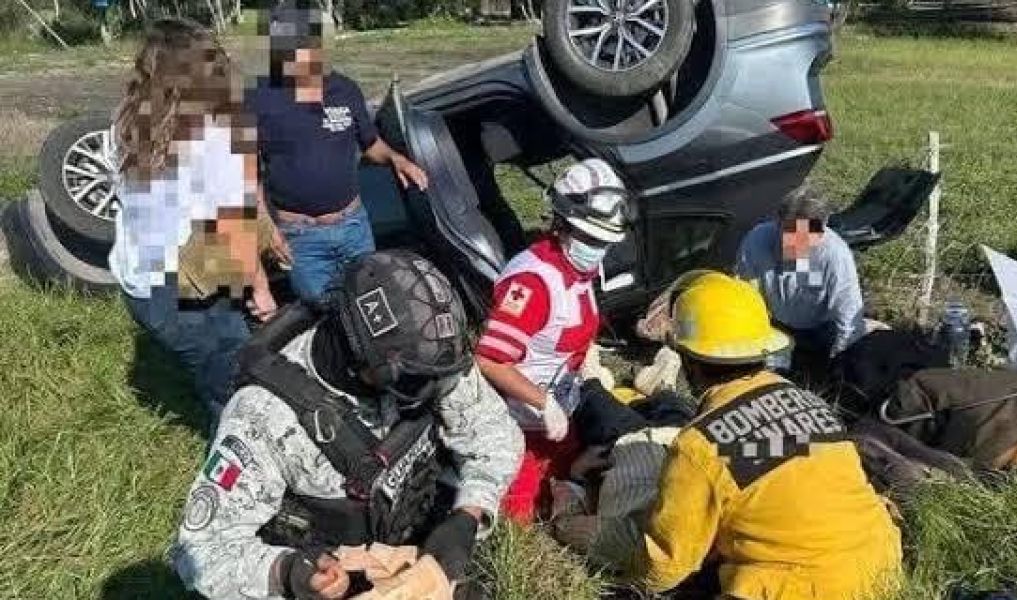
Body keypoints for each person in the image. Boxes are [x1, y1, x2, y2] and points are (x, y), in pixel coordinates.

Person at [169, 250, 522, 599]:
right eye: (413, 382)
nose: (432, 391)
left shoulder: (425, 356)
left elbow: (495, 433)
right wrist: (289, 572)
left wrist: (468, 514)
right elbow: (200, 551)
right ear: (359, 361)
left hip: (411, 542)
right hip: (332, 578)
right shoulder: (263, 417)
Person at [632, 272, 902, 600]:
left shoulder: (698, 446)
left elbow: (663, 568)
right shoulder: (809, 402)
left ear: (689, 361)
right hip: (881, 570)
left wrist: (590, 537)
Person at [109, 18, 278, 416]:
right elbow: (235, 224)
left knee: (211, 368)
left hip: (141, 284)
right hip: (187, 286)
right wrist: (262, 292)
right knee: (236, 384)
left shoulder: (126, 126)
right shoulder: (214, 137)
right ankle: (234, 462)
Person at [475, 158, 630, 524]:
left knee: (575, 481)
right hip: (520, 424)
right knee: (519, 517)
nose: (597, 250)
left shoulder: (578, 270)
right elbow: (489, 359)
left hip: (560, 411)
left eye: (604, 243)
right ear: (560, 225)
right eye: (590, 240)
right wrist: (542, 403)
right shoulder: (532, 285)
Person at [250, 2, 429, 306]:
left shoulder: (345, 89)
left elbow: (370, 145)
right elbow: (246, 174)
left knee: (372, 307)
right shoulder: (257, 98)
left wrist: (396, 158)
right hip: (301, 237)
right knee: (322, 312)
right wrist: (267, 229)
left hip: (354, 226)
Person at [735, 185, 867, 361]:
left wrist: (840, 362)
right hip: (772, 325)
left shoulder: (836, 256)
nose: (798, 245)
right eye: (790, 234)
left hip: (817, 332)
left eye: (807, 237)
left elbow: (848, 314)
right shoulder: (756, 241)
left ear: (823, 228)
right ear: (778, 222)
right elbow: (744, 292)